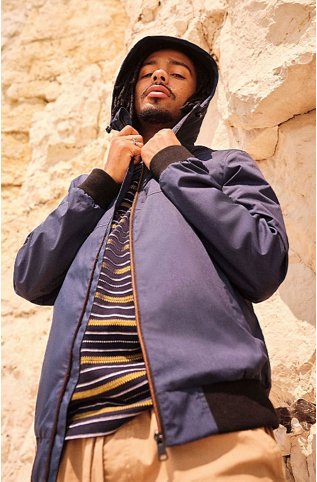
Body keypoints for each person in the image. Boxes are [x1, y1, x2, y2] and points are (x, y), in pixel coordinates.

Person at [14, 35, 288, 482]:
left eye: (178, 72)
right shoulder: (93, 188)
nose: (160, 75)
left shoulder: (222, 168)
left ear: (195, 100)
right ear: (129, 90)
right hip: (76, 448)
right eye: (148, 71)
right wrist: (101, 182)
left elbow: (262, 260)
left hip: (208, 435)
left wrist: (174, 164)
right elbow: (30, 277)